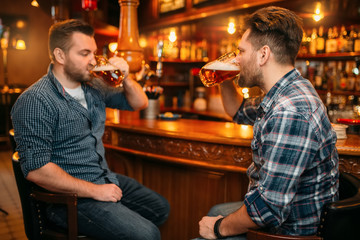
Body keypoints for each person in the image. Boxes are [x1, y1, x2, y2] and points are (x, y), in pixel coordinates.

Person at [11, 19, 169, 240]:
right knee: (148, 235)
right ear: (60, 55)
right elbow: (37, 170)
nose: (93, 61)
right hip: (68, 199)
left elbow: (139, 103)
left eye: (94, 53)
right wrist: (96, 191)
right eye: (84, 53)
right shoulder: (36, 100)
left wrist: (126, 78)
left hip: (103, 178)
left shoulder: (94, 86)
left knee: (160, 208)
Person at [198, 6, 339, 239]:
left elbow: (267, 211)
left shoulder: (291, 111)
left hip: (286, 232)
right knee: (216, 211)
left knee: (207, 229)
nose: (237, 58)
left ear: (263, 54)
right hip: (278, 215)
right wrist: (222, 75)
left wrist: (217, 228)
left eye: (241, 51)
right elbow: (238, 111)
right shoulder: (285, 91)